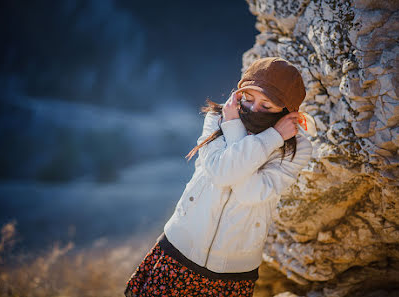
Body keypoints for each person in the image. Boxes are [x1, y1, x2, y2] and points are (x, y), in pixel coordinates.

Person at [124, 57, 313, 297]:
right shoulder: (219, 117)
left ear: (288, 111)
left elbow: (250, 192)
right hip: (178, 250)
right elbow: (222, 174)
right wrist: (265, 134)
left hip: (233, 271)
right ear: (239, 93)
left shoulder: (297, 148)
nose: (254, 110)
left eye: (267, 106)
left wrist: (272, 137)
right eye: (249, 98)